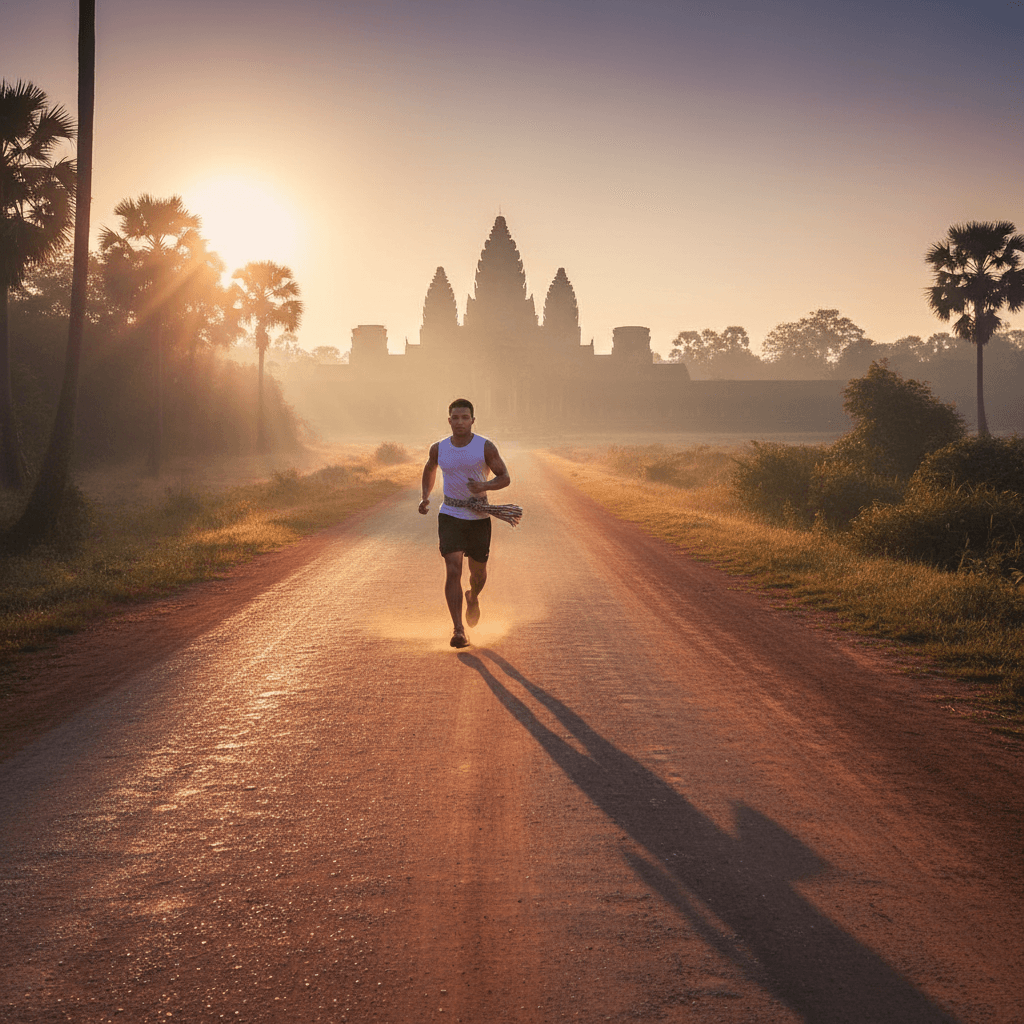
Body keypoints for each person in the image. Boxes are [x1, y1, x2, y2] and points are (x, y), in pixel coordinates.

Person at [419, 398, 511, 648]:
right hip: (450, 514)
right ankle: (458, 629)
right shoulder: (439, 448)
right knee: (453, 569)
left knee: (477, 574)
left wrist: (484, 485)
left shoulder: (485, 447)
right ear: (449, 420)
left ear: (472, 420)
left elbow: (504, 477)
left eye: (465, 418)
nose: (460, 422)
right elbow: (430, 469)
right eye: (455, 418)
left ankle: (473, 596)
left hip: (479, 517)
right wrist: (425, 497)